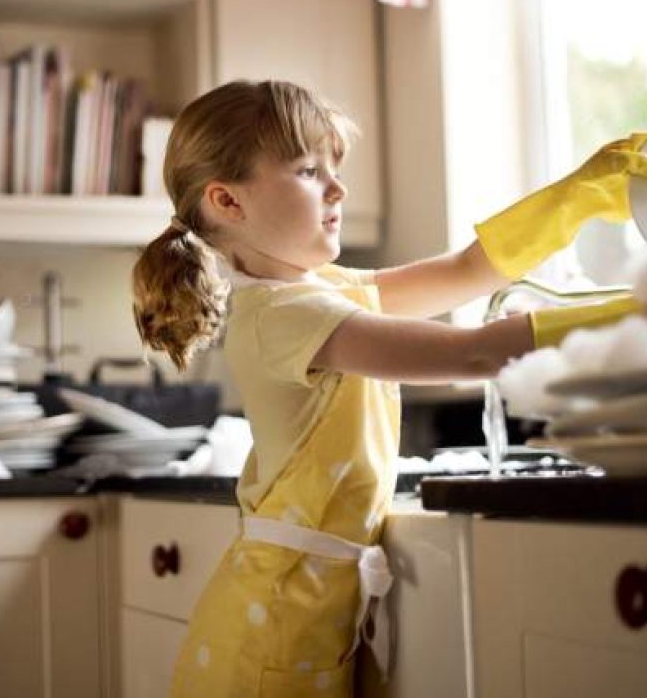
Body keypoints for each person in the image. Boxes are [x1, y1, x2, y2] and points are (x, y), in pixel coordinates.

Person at [131, 79, 647, 697]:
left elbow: (465, 273)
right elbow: (472, 352)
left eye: (333, 167)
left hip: (302, 613)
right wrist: (632, 313)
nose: (338, 188)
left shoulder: (319, 290)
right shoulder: (282, 315)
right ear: (228, 202)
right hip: (271, 633)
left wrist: (580, 195)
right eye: (307, 169)